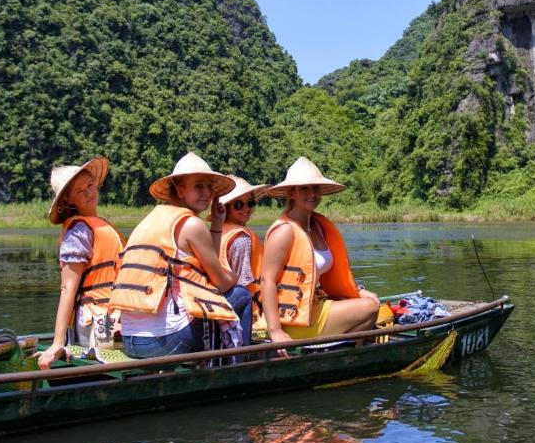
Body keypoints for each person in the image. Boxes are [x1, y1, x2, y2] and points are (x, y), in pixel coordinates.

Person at [110, 153, 245, 358]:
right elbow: (222, 284)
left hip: (131, 341)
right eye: (199, 186)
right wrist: (232, 277)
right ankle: (242, 366)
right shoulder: (192, 225)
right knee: (242, 294)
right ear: (180, 189)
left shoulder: (150, 220)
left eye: (209, 186)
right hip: (164, 341)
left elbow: (204, 272)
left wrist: (217, 223)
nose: (207, 193)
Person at [260, 157, 379, 348]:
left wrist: (358, 290)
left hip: (317, 304)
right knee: (371, 308)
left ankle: (343, 350)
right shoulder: (284, 230)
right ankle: (345, 353)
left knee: (371, 299)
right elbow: (267, 281)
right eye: (304, 188)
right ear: (292, 193)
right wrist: (275, 331)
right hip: (295, 318)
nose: (312, 194)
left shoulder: (317, 225)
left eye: (315, 188)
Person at [38, 156, 125, 369]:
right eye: (79, 191)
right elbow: (68, 287)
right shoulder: (79, 231)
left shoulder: (102, 225)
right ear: (68, 201)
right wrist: (58, 342)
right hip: (96, 319)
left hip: (113, 314)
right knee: (104, 365)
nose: (89, 192)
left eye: (90, 185)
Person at [208, 175, 269, 347]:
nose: (246, 209)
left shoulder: (215, 232)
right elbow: (243, 288)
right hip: (248, 315)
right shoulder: (241, 238)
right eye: (238, 205)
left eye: (250, 203)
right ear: (226, 207)